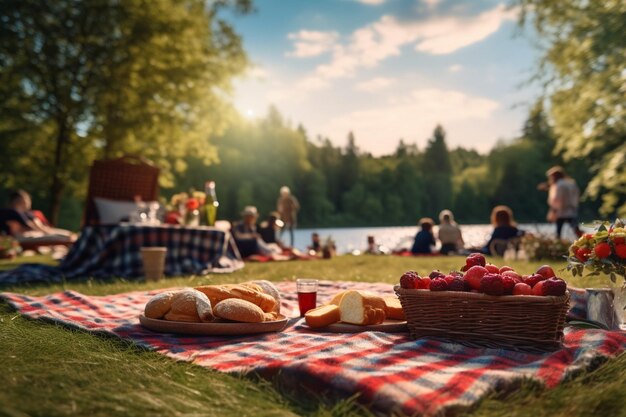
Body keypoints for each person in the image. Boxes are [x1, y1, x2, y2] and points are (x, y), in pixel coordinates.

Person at [0, 190, 75, 243]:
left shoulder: (26, 213)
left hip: (31, 235)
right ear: (17, 201)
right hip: (20, 238)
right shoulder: (13, 212)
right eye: (25, 200)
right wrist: (48, 232)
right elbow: (31, 226)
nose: (27, 203)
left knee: (67, 235)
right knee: (67, 237)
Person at [545, 166, 582, 238]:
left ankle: (558, 243)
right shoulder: (571, 183)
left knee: (559, 230)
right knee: (575, 228)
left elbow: (558, 198)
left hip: (561, 211)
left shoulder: (559, 185)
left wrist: (553, 210)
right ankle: (584, 241)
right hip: (571, 210)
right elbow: (576, 195)